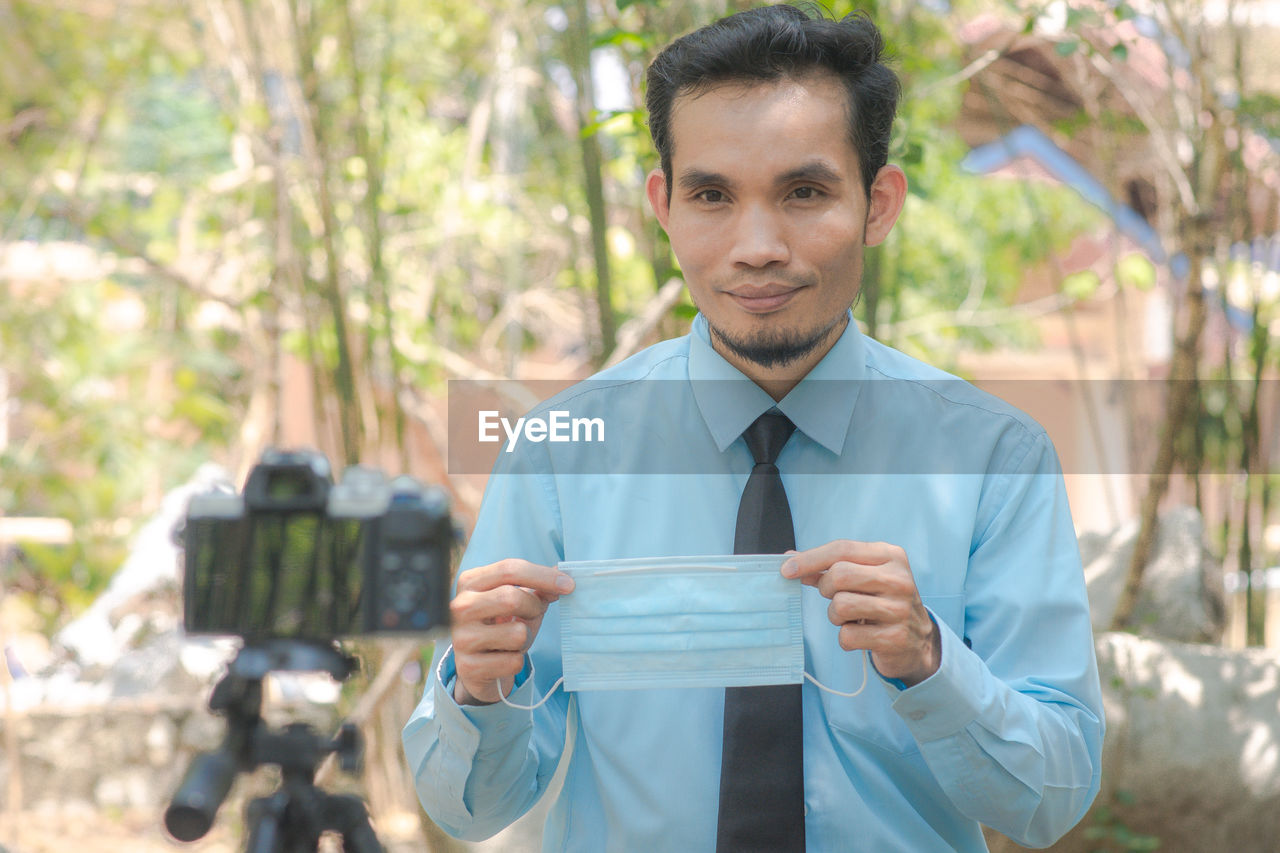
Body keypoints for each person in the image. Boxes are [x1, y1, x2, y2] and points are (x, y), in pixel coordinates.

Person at [403, 5, 1104, 851]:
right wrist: (476, 690)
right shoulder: (561, 451)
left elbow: (1052, 799)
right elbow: (469, 809)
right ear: (664, 207)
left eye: (805, 192)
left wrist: (930, 661)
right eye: (711, 196)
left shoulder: (996, 459)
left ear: (879, 204)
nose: (758, 245)